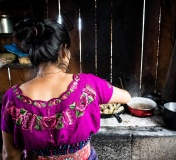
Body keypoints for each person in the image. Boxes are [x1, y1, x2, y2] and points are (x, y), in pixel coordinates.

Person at [0, 18, 131, 160]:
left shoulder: (12, 97)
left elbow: (11, 154)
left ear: (32, 55)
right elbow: (126, 97)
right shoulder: (89, 85)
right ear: (63, 51)